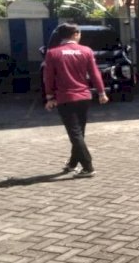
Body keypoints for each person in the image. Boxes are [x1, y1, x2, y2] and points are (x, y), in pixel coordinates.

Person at [43, 23, 109, 177]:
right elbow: (95, 74)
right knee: (79, 132)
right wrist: (101, 92)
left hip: (65, 98)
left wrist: (49, 96)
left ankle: (88, 167)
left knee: (75, 133)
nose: (80, 35)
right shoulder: (86, 51)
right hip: (84, 97)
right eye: (79, 33)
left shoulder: (53, 53)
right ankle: (73, 163)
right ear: (74, 34)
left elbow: (48, 77)